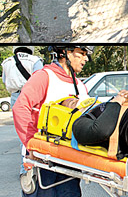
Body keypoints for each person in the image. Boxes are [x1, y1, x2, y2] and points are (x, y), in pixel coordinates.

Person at [13, 45, 92, 197]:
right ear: (65, 53)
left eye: (86, 54)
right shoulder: (44, 76)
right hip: (42, 159)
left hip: (70, 160)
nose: (85, 58)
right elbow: (21, 108)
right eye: (81, 54)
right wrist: (31, 144)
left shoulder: (81, 86)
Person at [1, 46, 43, 176]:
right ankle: (36, 166)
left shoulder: (7, 62)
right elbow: (41, 79)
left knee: (22, 135)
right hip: (32, 97)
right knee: (37, 132)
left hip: (15, 97)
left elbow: (4, 80)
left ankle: (25, 168)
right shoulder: (35, 60)